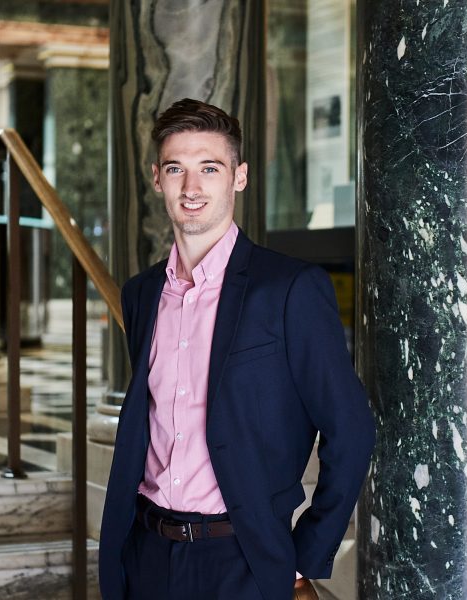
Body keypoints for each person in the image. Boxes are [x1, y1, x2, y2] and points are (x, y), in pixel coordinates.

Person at [99, 99, 375, 600]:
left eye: (210, 168)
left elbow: (350, 429)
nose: (192, 187)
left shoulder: (289, 288)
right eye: (176, 169)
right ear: (157, 179)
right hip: (146, 552)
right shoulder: (140, 294)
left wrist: (304, 554)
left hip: (243, 560)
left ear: (239, 177)